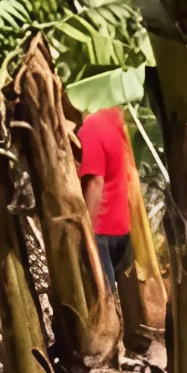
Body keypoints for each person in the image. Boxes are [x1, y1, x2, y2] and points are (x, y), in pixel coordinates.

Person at [77, 107, 134, 291]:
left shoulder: (91, 128)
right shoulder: (116, 119)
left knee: (103, 297)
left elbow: (95, 182)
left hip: (101, 229)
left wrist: (86, 230)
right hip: (123, 228)